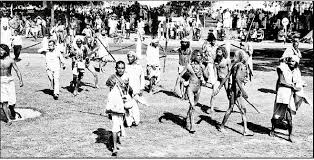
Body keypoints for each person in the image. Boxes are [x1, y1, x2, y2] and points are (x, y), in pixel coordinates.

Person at [215, 49, 254, 136]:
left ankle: (244, 129)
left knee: (238, 108)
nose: (233, 57)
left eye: (235, 56)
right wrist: (243, 91)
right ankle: (223, 127)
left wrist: (219, 87)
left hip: (233, 90)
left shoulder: (234, 65)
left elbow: (226, 77)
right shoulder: (240, 66)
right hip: (236, 91)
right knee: (238, 109)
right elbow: (236, 79)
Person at [179, 50, 209, 133]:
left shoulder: (202, 66)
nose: (200, 57)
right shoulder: (189, 66)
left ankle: (187, 120)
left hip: (198, 88)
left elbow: (207, 77)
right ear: (194, 56)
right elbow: (181, 76)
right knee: (192, 106)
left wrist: (205, 68)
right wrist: (183, 83)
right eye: (198, 55)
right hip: (190, 88)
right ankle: (192, 126)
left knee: (193, 106)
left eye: (200, 55)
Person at [105, 61, 129, 156]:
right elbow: (108, 84)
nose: (120, 70)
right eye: (119, 68)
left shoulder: (126, 77)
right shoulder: (112, 77)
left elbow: (128, 90)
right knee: (115, 125)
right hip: (114, 104)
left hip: (122, 104)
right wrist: (114, 83)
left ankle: (112, 139)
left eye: (122, 68)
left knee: (120, 124)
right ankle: (114, 148)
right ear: (116, 68)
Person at [0, 44, 24, 125]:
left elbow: (17, 70)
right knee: (4, 101)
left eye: (2, 50)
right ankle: (8, 119)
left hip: (9, 81)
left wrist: (20, 80)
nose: (0, 52)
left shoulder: (10, 60)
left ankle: (12, 109)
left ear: (6, 51)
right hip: (1, 82)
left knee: (12, 101)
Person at [124, 51, 145, 127]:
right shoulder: (126, 66)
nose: (130, 58)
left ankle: (136, 120)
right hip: (127, 89)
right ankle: (129, 121)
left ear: (134, 58)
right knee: (127, 105)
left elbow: (142, 77)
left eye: (131, 57)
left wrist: (142, 88)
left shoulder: (138, 66)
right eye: (128, 57)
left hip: (136, 89)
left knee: (135, 105)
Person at [208, 46, 231, 113]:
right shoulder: (216, 60)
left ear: (223, 53)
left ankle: (230, 107)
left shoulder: (227, 60)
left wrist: (230, 81)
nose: (218, 53)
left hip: (225, 79)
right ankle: (211, 108)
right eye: (217, 52)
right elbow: (214, 70)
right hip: (218, 79)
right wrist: (213, 80)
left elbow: (230, 71)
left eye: (220, 52)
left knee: (228, 94)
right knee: (213, 93)